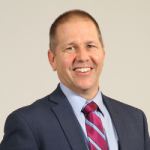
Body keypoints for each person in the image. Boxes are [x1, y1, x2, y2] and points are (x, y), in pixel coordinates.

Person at [0, 9, 149, 150]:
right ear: (52, 59)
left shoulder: (136, 120)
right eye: (70, 48)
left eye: (90, 46)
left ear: (103, 53)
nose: (83, 57)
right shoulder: (27, 123)